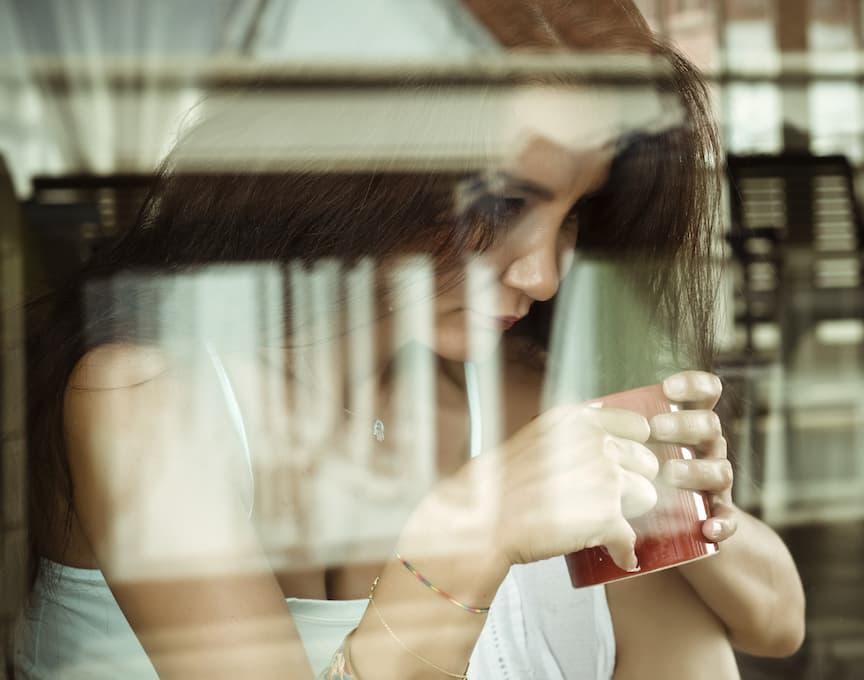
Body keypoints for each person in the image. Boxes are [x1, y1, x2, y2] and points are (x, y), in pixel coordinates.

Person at [14, 1, 805, 678]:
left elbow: (773, 624)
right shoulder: (146, 401)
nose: (542, 276)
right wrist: (470, 533)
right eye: (499, 206)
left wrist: (698, 510)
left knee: (654, 572)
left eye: (574, 220)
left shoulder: (514, 393)